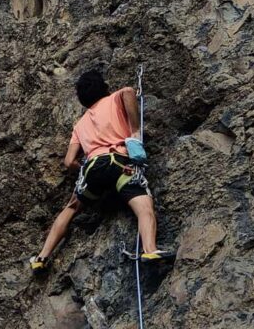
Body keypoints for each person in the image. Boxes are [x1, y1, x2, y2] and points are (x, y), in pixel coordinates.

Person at [30, 70, 174, 274]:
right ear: (104, 87)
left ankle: (41, 257)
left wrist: (86, 169)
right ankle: (149, 250)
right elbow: (128, 92)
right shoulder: (114, 99)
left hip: (92, 169)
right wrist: (134, 134)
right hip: (119, 162)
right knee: (143, 204)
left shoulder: (79, 125)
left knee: (71, 207)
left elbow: (69, 161)